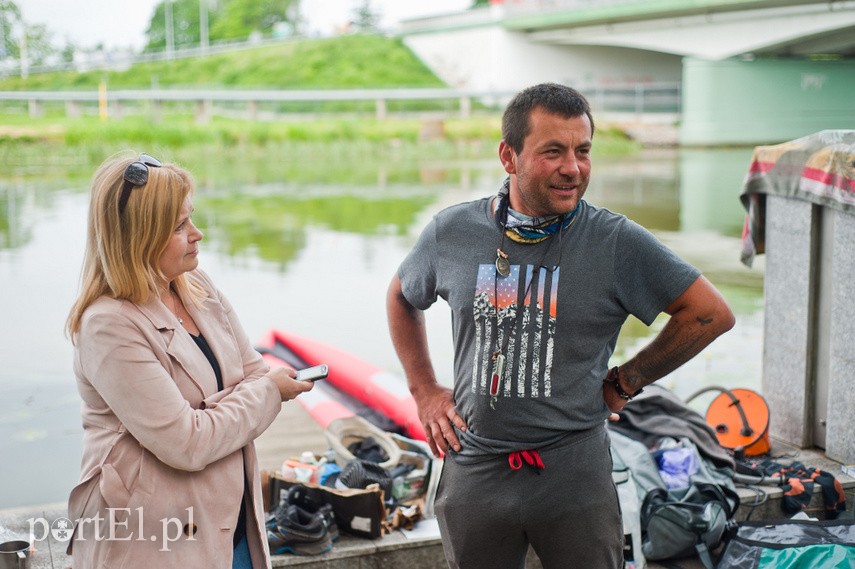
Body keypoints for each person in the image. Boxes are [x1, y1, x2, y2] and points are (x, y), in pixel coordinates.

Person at [386, 83, 735, 568]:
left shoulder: (615, 242)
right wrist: (423, 389)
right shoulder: (453, 231)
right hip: (476, 469)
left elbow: (709, 313)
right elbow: (402, 296)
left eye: (583, 151)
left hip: (574, 474)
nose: (573, 168)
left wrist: (627, 379)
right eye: (553, 151)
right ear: (508, 156)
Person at [65, 152, 313, 568]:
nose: (197, 234)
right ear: (139, 236)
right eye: (180, 226)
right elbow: (188, 444)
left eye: (190, 218)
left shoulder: (194, 284)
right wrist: (267, 392)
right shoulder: (107, 325)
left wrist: (209, 414)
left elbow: (251, 371)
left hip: (232, 526)